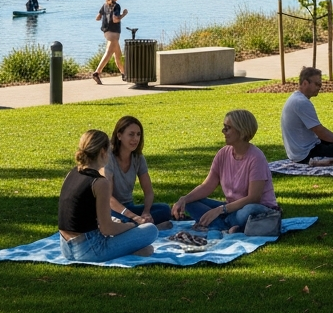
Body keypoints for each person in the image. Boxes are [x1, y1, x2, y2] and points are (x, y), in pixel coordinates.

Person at [171, 109, 280, 233]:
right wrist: (184, 199)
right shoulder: (223, 153)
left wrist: (219, 210)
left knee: (249, 210)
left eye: (227, 128)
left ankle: (218, 225)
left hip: (256, 208)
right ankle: (226, 226)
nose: (223, 131)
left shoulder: (256, 157)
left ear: (242, 131)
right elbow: (207, 186)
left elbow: (254, 198)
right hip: (230, 209)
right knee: (191, 202)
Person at [58, 130, 156, 263]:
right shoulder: (100, 182)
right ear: (103, 152)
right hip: (91, 249)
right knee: (151, 230)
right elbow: (107, 229)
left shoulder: (72, 173)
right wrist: (131, 226)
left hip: (65, 248)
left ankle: (129, 249)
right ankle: (131, 249)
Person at [104, 116, 173, 228]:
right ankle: (138, 226)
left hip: (129, 208)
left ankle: (136, 227)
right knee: (120, 221)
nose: (135, 139)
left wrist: (146, 212)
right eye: (131, 134)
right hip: (111, 210)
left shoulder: (138, 158)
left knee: (164, 209)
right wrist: (134, 217)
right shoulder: (108, 158)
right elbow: (108, 198)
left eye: (138, 134)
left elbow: (149, 191)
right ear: (119, 135)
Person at [280, 67, 333, 163]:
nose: (319, 87)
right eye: (317, 84)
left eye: (320, 84)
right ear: (305, 83)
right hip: (306, 154)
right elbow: (320, 131)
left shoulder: (295, 98)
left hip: (300, 152)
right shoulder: (301, 102)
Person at [92, 0, 127, 84]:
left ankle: (124, 74)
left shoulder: (105, 5)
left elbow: (98, 18)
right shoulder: (116, 6)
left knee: (118, 55)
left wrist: (105, 16)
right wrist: (124, 14)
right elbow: (116, 19)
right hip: (114, 33)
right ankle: (97, 72)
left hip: (106, 32)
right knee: (108, 53)